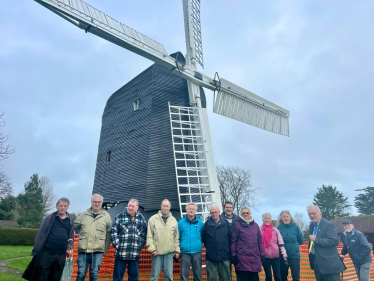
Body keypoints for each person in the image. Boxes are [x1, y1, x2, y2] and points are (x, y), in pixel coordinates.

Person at [22, 197, 74, 281]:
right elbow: (41, 234)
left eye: (65, 206)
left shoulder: (70, 219)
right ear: (57, 206)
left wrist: (70, 246)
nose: (62, 207)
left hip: (61, 254)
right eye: (61, 205)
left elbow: (71, 235)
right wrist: (36, 249)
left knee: (56, 276)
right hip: (47, 253)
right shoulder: (50, 218)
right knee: (43, 276)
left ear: (67, 207)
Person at [74, 194, 112, 281]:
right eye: (95, 201)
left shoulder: (106, 216)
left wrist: (105, 249)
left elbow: (109, 234)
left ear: (101, 203)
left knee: (94, 274)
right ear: (91, 202)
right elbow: (73, 226)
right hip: (84, 250)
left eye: (99, 202)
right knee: (81, 274)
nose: (97, 204)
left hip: (97, 251)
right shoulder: (84, 215)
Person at [110, 198, 147, 281]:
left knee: (134, 278)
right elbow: (113, 232)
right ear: (127, 206)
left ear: (137, 208)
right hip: (121, 254)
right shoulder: (119, 217)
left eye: (133, 206)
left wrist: (139, 246)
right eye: (129, 206)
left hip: (134, 255)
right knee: (117, 278)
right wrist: (118, 245)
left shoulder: (141, 218)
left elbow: (144, 234)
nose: (130, 208)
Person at [307, 205, 346, 281]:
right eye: (310, 214)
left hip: (329, 264)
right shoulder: (312, 225)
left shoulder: (328, 225)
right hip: (317, 263)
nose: (312, 215)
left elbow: (334, 241)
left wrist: (316, 239)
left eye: (314, 213)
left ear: (320, 214)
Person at [147, 199, 180, 281]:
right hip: (157, 252)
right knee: (154, 276)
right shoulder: (153, 219)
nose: (165, 208)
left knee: (169, 276)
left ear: (170, 207)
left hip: (169, 253)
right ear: (161, 207)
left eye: (167, 206)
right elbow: (149, 236)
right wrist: (152, 249)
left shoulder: (174, 221)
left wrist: (177, 250)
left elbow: (176, 237)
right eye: (164, 206)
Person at [231, 206, 264, 281]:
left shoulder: (255, 226)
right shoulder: (237, 225)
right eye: (243, 213)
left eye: (247, 213)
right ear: (241, 215)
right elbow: (233, 241)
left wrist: (262, 254)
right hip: (242, 257)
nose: (245, 214)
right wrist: (233, 254)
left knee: (254, 278)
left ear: (250, 214)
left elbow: (259, 241)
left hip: (254, 257)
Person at [202, 204, 231, 281]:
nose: (214, 214)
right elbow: (204, 239)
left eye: (215, 212)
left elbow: (230, 238)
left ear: (219, 212)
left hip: (224, 256)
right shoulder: (206, 225)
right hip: (211, 256)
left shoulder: (226, 223)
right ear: (210, 213)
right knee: (212, 278)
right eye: (212, 213)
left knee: (225, 278)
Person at [178, 202, 204, 281]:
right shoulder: (181, 223)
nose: (191, 211)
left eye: (193, 209)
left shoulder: (200, 223)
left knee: (197, 274)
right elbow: (177, 237)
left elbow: (203, 236)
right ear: (186, 210)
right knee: (184, 275)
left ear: (195, 210)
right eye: (189, 209)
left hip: (197, 252)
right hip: (185, 252)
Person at [277, 210, 303, 281]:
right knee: (283, 276)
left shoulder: (296, 228)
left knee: (296, 277)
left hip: (294, 256)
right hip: (282, 256)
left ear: (290, 217)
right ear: (281, 218)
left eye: (287, 216)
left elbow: (301, 240)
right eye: (283, 217)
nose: (285, 218)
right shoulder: (279, 228)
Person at [260, 213, 287, 281]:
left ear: (271, 220)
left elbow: (281, 244)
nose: (267, 220)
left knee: (277, 276)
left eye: (269, 218)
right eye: (265, 218)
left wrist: (284, 255)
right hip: (265, 257)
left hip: (276, 256)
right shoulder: (259, 230)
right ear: (262, 219)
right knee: (268, 275)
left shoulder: (276, 230)